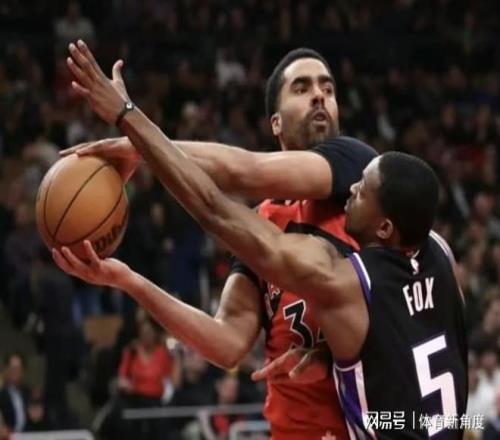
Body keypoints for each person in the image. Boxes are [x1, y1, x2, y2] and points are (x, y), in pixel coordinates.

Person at [58, 41, 468, 438]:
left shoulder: (358, 173)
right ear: (275, 122)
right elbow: (227, 342)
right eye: (302, 88)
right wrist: (129, 281)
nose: (319, 96)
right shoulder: (264, 220)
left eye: (328, 89)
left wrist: (136, 135)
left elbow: (243, 174)